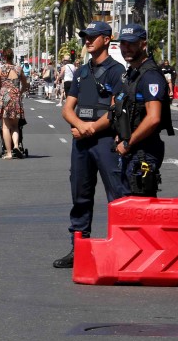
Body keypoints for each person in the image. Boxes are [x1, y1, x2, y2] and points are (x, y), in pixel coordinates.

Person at [53, 21, 128, 269]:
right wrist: (80, 125)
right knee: (80, 195)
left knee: (116, 196)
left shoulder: (118, 71)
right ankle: (79, 247)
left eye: (93, 37)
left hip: (104, 141)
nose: (87, 40)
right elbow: (67, 108)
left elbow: (117, 109)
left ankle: (123, 249)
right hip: (82, 142)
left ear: (106, 39)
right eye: (86, 36)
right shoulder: (82, 72)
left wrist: (91, 128)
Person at [112, 24, 172, 198]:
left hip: (143, 151)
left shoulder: (150, 75)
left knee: (140, 206)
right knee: (129, 205)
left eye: (131, 43)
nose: (126, 48)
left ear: (143, 44)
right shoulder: (133, 73)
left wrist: (128, 143)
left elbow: (153, 118)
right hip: (131, 150)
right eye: (123, 43)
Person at [0, 48, 29, 160]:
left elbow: (0, 84)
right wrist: (21, 92)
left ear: (4, 57)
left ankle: (9, 153)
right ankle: (16, 146)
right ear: (13, 56)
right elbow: (25, 84)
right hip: (16, 97)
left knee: (5, 126)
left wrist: (2, 92)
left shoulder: (0, 69)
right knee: (15, 126)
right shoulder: (19, 69)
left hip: (5, 97)